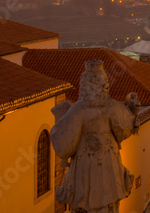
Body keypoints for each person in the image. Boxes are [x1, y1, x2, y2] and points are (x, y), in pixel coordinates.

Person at [51, 60, 139, 213]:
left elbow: (66, 146)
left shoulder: (77, 110)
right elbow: (122, 131)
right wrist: (130, 112)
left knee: (88, 202)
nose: (104, 87)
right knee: (107, 202)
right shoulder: (109, 107)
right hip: (106, 160)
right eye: (102, 84)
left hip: (84, 162)